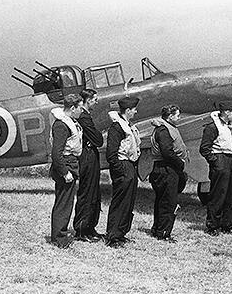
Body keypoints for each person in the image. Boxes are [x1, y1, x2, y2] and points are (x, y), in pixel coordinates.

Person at [199, 101, 232, 236]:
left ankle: (227, 225)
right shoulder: (212, 127)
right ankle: (212, 226)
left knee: (231, 195)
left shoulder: (231, 127)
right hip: (220, 159)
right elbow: (204, 148)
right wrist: (215, 161)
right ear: (227, 112)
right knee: (218, 195)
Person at [149, 105, 188, 243]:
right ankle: (164, 232)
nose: (179, 118)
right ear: (170, 116)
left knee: (162, 200)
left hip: (163, 169)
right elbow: (167, 152)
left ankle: (157, 229)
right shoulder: (164, 130)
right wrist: (180, 163)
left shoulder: (164, 128)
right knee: (168, 202)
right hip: (167, 169)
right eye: (177, 115)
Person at [105, 97, 141, 248]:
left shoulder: (127, 125)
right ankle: (113, 236)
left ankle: (121, 233)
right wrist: (121, 170)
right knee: (120, 202)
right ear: (127, 110)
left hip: (130, 166)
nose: (136, 111)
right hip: (123, 166)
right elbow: (111, 154)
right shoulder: (117, 127)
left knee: (128, 202)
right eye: (134, 109)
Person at [49, 94, 83, 248]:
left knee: (66, 202)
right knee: (63, 203)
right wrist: (64, 172)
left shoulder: (69, 122)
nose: (81, 111)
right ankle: (59, 238)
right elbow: (56, 153)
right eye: (80, 108)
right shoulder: (61, 125)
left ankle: (59, 235)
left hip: (70, 163)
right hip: (66, 165)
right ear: (73, 107)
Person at [73, 89, 104, 242]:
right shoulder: (84, 117)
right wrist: (97, 137)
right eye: (94, 99)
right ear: (87, 100)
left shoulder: (86, 115)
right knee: (87, 192)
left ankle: (90, 228)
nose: (96, 102)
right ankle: (81, 230)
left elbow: (96, 139)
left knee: (94, 193)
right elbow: (98, 140)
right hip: (87, 155)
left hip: (91, 154)